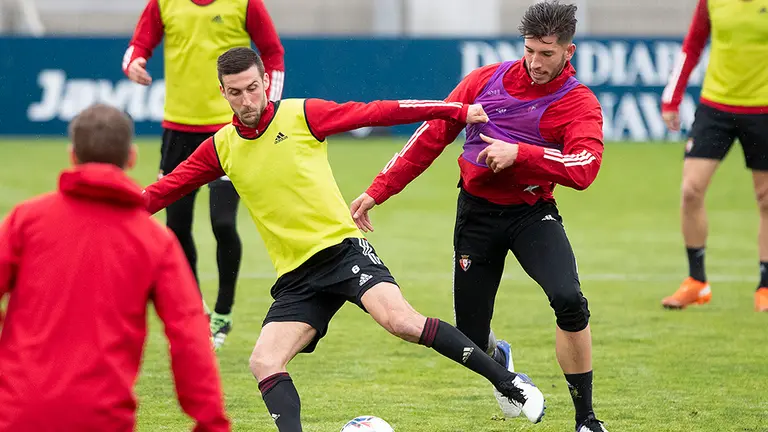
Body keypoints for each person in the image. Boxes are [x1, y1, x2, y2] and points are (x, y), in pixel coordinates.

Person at [142, 46, 547, 431]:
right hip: (297, 278)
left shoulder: (302, 115)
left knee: (401, 322)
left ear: (266, 81)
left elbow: (376, 112)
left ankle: (510, 383)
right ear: (223, 93)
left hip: (342, 252)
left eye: (252, 88)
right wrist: (103, 212)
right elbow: (165, 189)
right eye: (235, 93)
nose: (247, 101)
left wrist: (454, 109)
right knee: (264, 361)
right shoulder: (220, 148)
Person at [349, 2, 608, 431]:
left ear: (569, 51)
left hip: (531, 213)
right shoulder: (484, 80)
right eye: (529, 51)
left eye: (547, 53)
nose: (535, 62)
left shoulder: (577, 102)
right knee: (469, 335)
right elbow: (431, 135)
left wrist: (519, 154)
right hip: (476, 215)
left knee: (569, 300)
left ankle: (586, 419)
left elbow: (585, 167)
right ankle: (501, 359)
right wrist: (378, 190)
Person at [0, 104, 229, 431]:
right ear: (131, 158)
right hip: (103, 417)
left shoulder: (27, 220)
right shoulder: (154, 239)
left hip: (17, 413)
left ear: (72, 154)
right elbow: (188, 334)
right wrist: (210, 421)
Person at [123, 0, 287, 349]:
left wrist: (267, 105)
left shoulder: (245, 3)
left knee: (223, 223)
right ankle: (194, 310)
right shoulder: (163, 3)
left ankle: (223, 312)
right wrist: (135, 62)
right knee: (177, 226)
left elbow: (272, 52)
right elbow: (139, 45)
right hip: (178, 131)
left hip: (225, 130)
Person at [660, 0, 768, 312]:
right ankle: (697, 282)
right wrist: (672, 97)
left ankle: (765, 284)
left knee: (765, 198)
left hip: (763, 110)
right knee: (691, 190)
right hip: (715, 107)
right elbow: (692, 45)